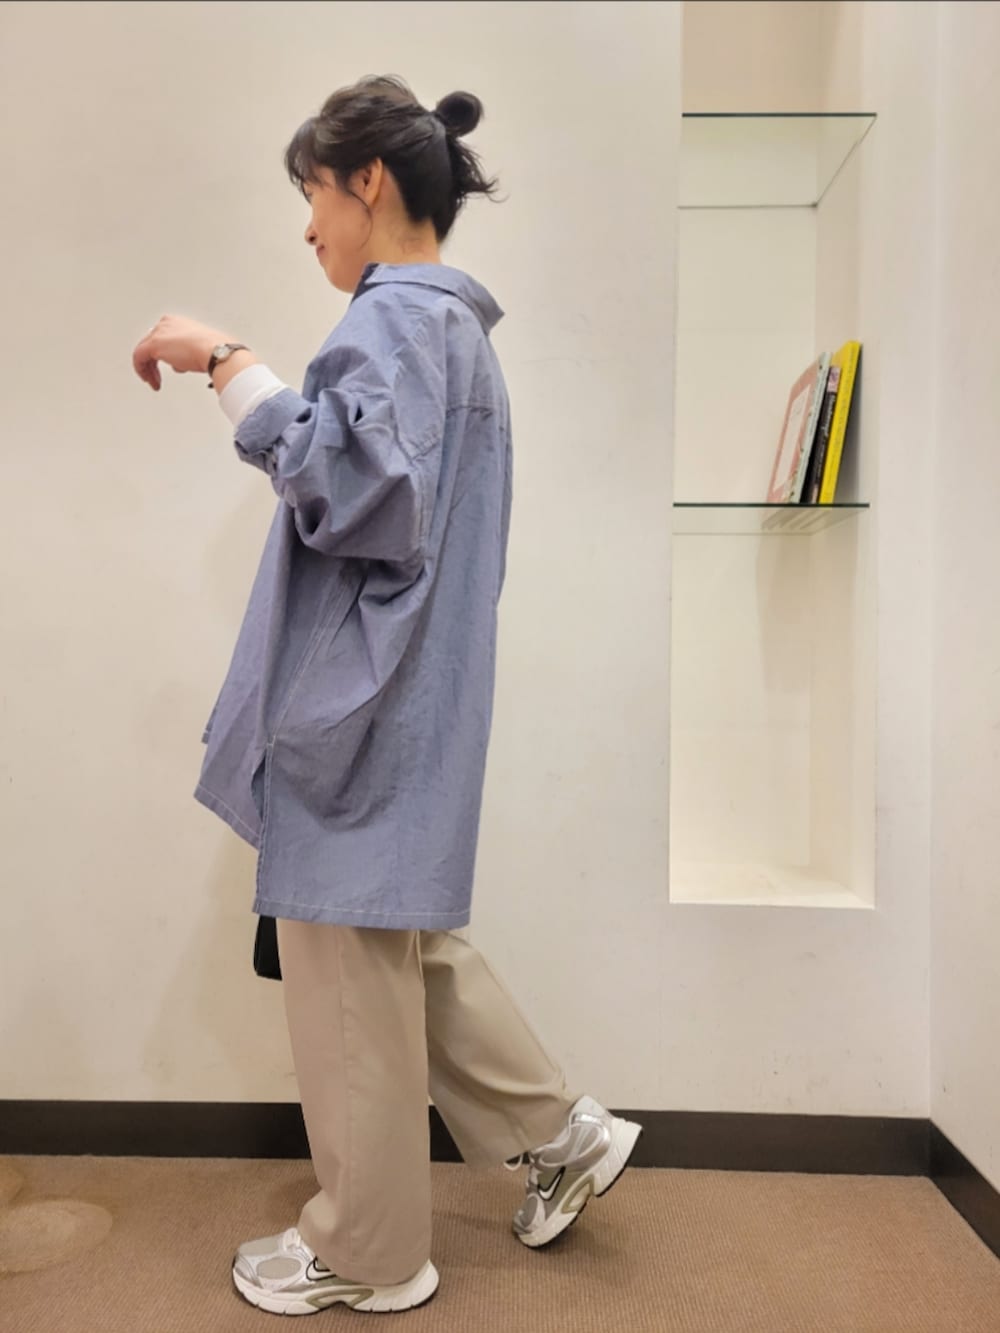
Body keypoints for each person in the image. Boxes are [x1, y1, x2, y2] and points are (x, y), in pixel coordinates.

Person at [132, 74, 643, 1317]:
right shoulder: (447, 332)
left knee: (349, 987)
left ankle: (369, 1250)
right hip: (405, 700)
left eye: (313, 192)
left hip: (357, 712)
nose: (307, 225)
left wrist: (228, 362)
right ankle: (556, 1132)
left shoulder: (396, 320)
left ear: (368, 181)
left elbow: (357, 494)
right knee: (396, 941)